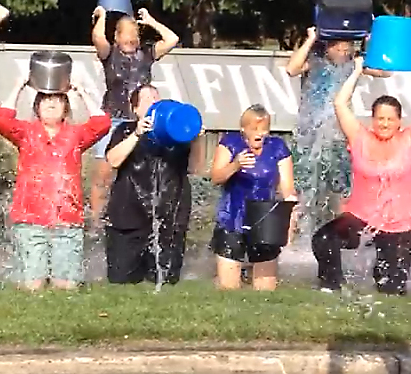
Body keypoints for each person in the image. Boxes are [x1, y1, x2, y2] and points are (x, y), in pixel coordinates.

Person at [0, 77, 111, 290]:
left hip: (67, 218)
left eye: (57, 99)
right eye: (45, 99)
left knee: (66, 286)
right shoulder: (26, 133)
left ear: (66, 109)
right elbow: (2, 120)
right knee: (33, 287)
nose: (51, 103)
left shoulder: (76, 136)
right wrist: (19, 84)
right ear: (36, 108)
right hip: (30, 218)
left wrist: (81, 91)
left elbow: (101, 124)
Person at [312, 56, 411, 295]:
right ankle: (332, 287)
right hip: (361, 219)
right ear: (372, 119)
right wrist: (357, 71)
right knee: (324, 239)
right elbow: (339, 104)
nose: (385, 123)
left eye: (390, 119)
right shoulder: (360, 137)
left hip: (400, 226)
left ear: (399, 121)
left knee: (390, 286)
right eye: (380, 118)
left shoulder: (407, 140)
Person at [286, 27, 389, 233]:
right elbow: (292, 69)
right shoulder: (315, 61)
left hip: (339, 138)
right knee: (298, 194)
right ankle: (289, 245)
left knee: (343, 193)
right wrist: (310, 39)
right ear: (327, 46)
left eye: (348, 47)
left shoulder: (354, 64)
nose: (343, 51)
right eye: (338, 47)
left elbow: (385, 71)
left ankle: (343, 240)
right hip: (309, 138)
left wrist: (370, 45)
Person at [104, 85, 205, 285]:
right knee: (120, 280)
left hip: (169, 215)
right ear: (135, 109)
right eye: (148, 99)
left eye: (157, 98)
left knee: (165, 281)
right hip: (128, 215)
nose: (155, 103)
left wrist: (196, 141)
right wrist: (137, 134)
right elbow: (113, 160)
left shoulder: (176, 135)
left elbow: (195, 169)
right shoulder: (125, 129)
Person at [90, 6, 179, 229]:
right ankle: (96, 222)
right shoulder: (109, 54)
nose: (131, 39)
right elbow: (98, 37)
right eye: (126, 35)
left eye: (134, 35)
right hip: (113, 119)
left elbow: (173, 38)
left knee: (143, 170)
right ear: (117, 37)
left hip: (141, 119)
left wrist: (150, 21)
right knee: (104, 172)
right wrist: (102, 17)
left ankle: (144, 216)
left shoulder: (147, 54)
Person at [210, 105, 297, 291]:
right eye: (255, 129)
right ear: (244, 129)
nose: (260, 133)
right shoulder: (231, 143)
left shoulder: (277, 148)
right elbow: (216, 177)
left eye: (264, 129)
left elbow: (288, 187)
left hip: (265, 221)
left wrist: (290, 214)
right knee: (228, 289)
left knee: (265, 292)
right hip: (232, 219)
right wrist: (235, 166)